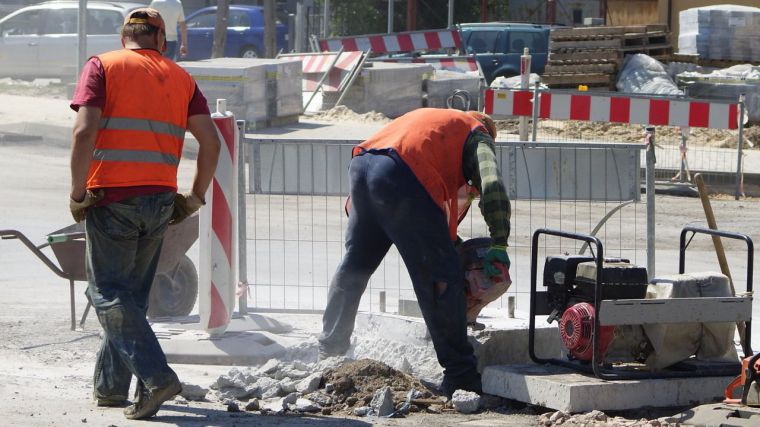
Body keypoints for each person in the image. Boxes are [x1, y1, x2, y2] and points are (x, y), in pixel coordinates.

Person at [68, 8, 220, 420]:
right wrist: (195, 197)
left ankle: (157, 377)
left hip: (112, 198)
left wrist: (78, 192)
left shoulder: (102, 65)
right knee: (130, 297)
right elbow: (211, 141)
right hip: (160, 200)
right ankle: (111, 389)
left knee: (106, 294)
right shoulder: (181, 77)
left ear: (124, 37)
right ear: (161, 41)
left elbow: (84, 131)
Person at [319, 108, 511, 396]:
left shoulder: (437, 125)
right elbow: (492, 184)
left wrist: (448, 244)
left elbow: (430, 217)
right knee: (440, 279)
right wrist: (499, 241)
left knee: (355, 267)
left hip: (363, 167)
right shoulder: (477, 135)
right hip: (403, 174)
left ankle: (329, 353)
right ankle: (461, 375)